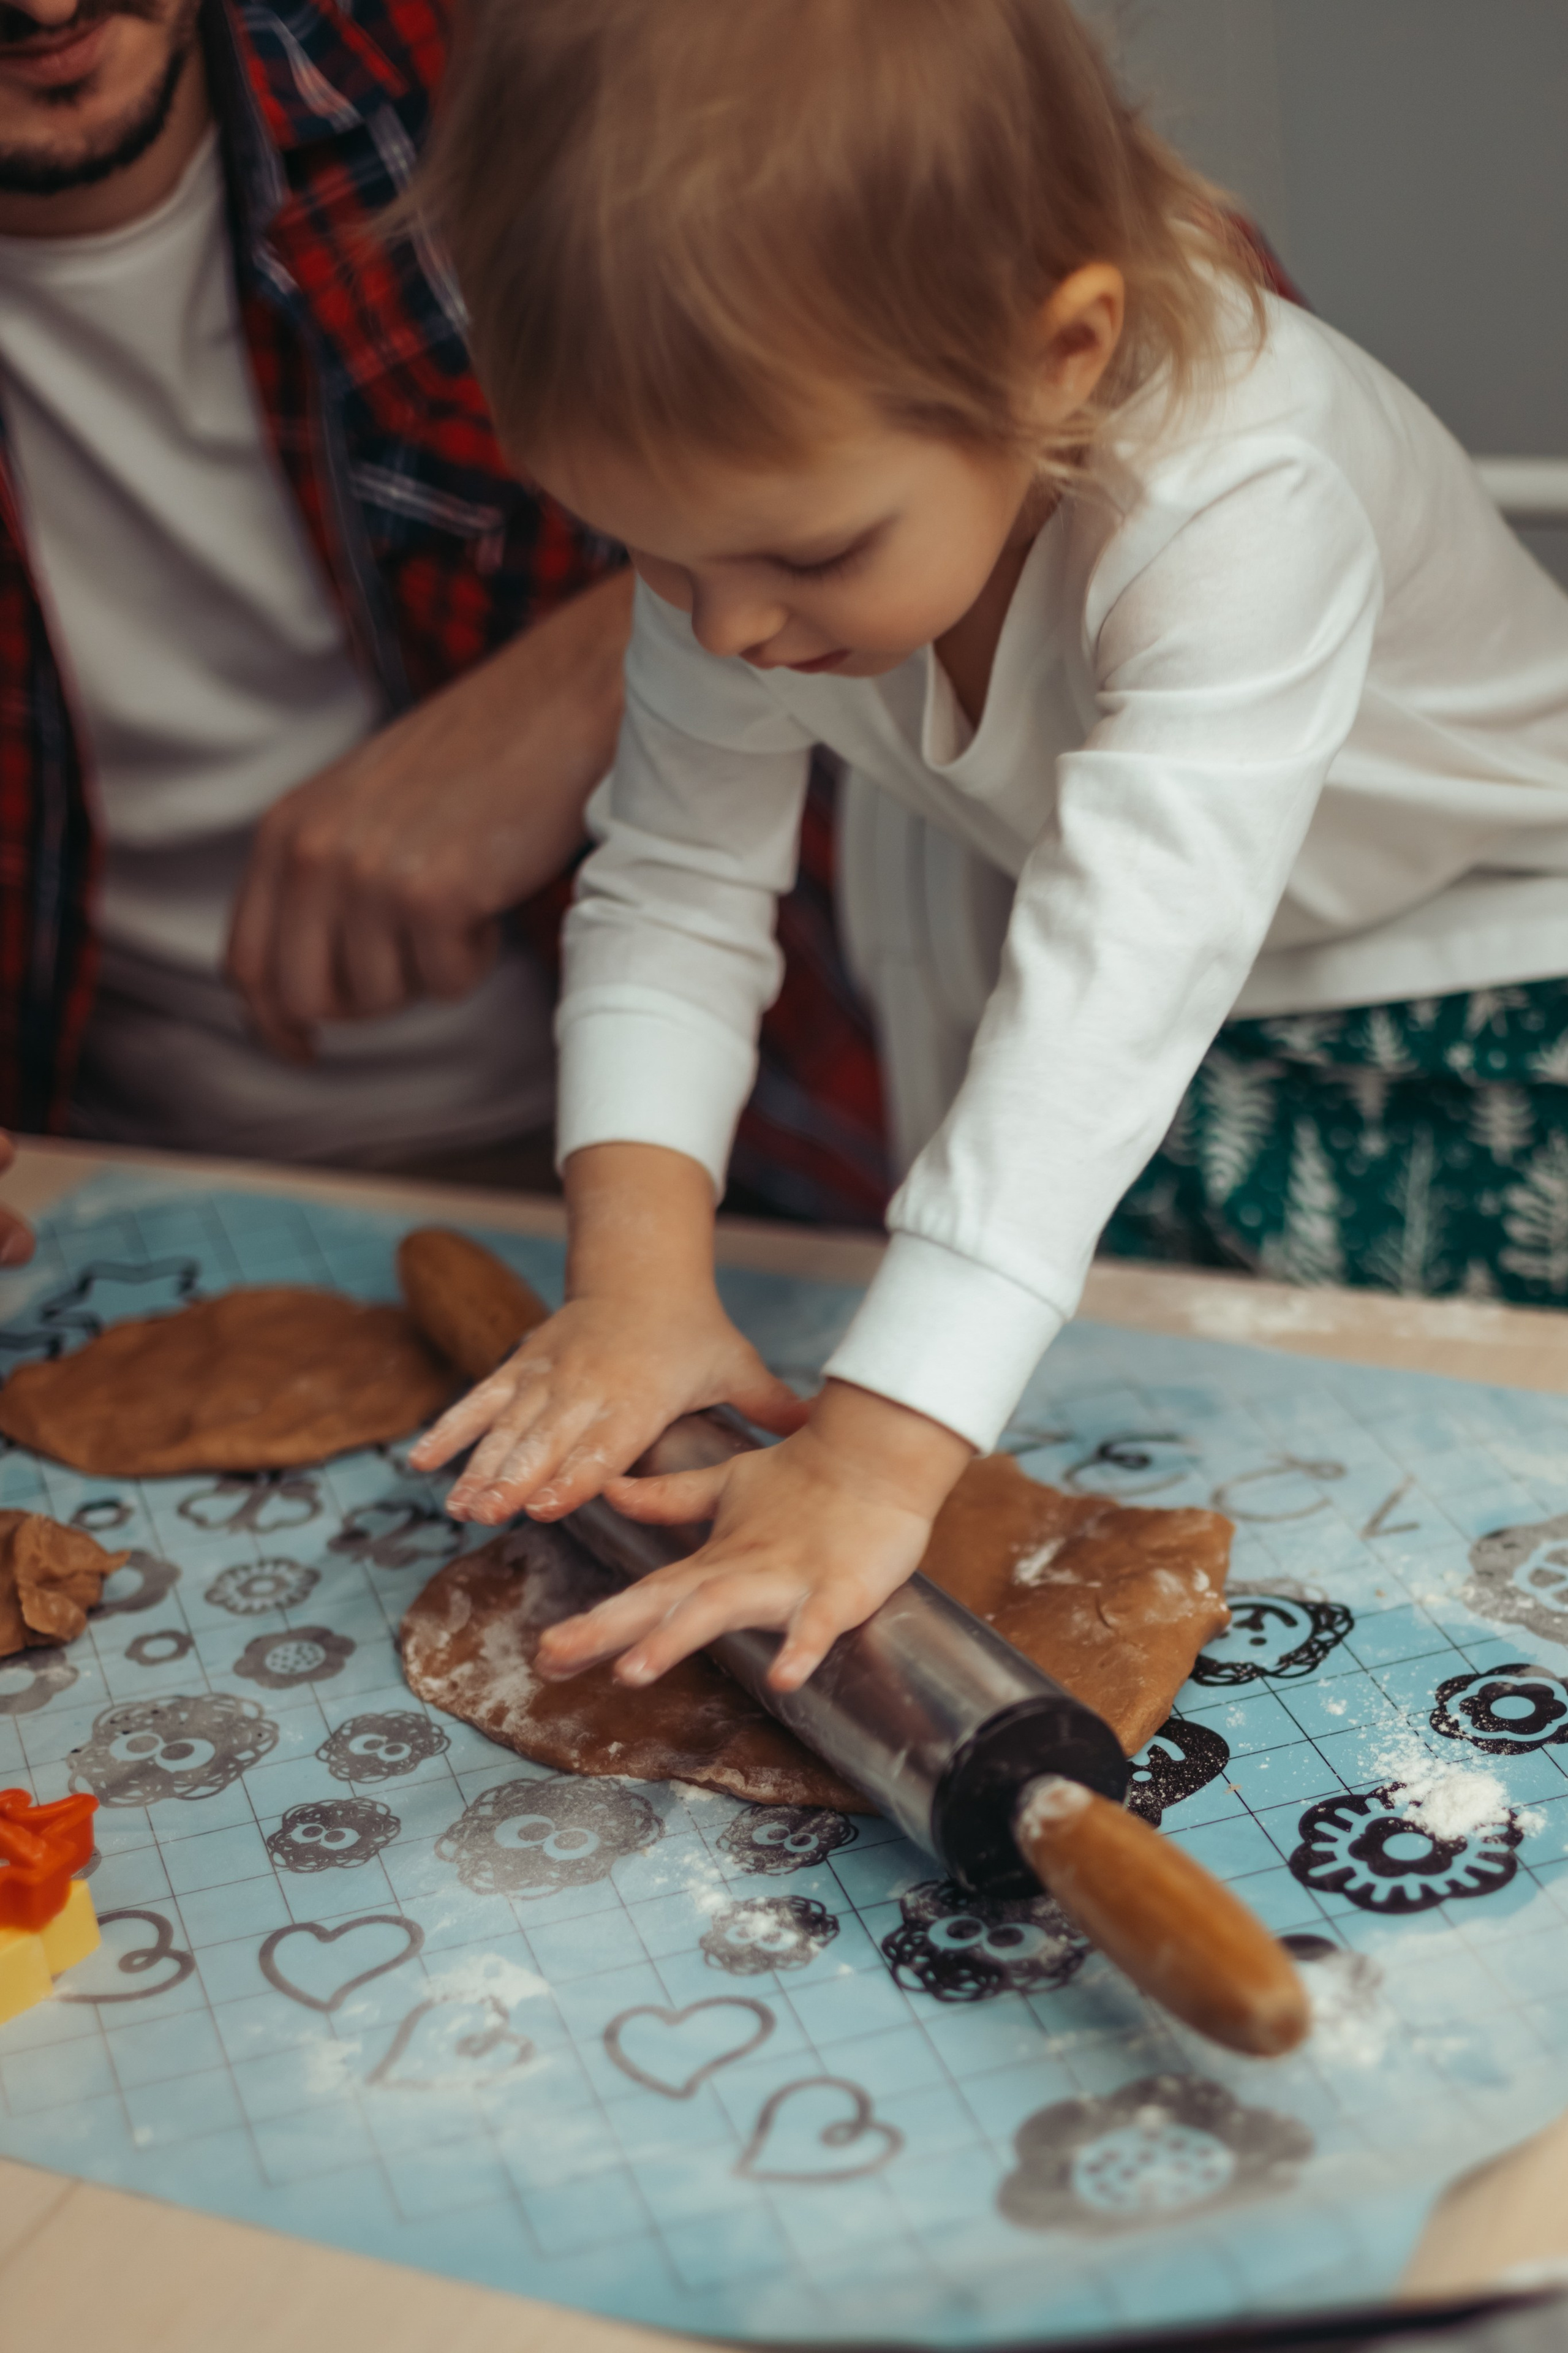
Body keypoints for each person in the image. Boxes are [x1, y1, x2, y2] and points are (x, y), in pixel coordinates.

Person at [411, 0, 1568, 1693]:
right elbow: (671, 880)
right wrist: (637, 1281)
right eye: (649, 557)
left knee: (1418, 1546)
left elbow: (1114, 983)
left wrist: (876, 1456)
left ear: (1062, 355)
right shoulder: (744, 542)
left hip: (1488, 986)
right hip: (1186, 1043)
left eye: (805, 552)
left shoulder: (1249, 484)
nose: (724, 627)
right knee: (1141, 1479)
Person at [0, 0, 638, 1273]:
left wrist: (610, 670)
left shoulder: (532, 46)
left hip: (734, 1156)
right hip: (88, 1186)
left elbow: (1020, 412)